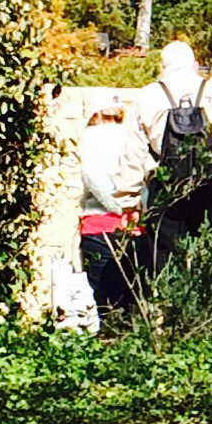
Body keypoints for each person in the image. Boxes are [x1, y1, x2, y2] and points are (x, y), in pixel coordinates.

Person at [114, 40, 212, 273]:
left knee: (165, 262)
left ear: (162, 66)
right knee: (207, 260)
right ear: (195, 64)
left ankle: (169, 308)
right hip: (210, 186)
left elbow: (132, 154)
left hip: (166, 186)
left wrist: (128, 203)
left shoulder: (148, 96)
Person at [78, 93, 134, 311]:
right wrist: (130, 207)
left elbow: (90, 176)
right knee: (131, 297)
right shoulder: (133, 136)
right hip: (133, 224)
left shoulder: (89, 137)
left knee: (102, 297)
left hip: (97, 224)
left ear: (97, 112)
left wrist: (115, 205)